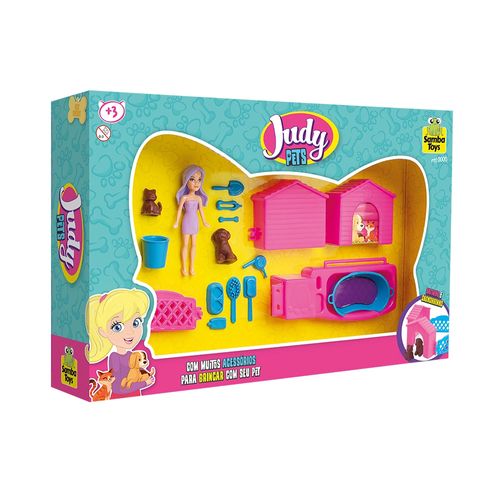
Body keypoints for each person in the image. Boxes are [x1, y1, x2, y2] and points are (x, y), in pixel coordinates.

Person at [85, 288, 155, 398]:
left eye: (136, 323)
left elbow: (136, 374)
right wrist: (144, 383)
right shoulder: (115, 358)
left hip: (136, 396)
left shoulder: (131, 355)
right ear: (103, 332)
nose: (130, 332)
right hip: (120, 398)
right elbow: (118, 387)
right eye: (117, 327)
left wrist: (147, 375)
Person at [173, 165, 210, 276]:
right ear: (186, 181)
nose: (196, 183)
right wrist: (176, 222)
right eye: (192, 179)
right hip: (186, 222)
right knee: (185, 244)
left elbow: (201, 211)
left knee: (194, 244)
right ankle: (184, 267)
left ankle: (192, 267)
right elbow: (179, 211)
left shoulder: (199, 198)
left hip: (195, 222)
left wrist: (204, 222)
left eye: (199, 180)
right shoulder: (184, 198)